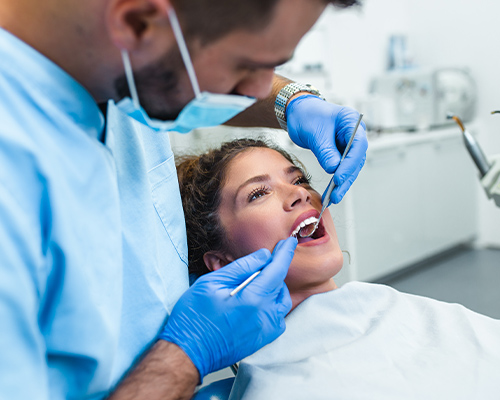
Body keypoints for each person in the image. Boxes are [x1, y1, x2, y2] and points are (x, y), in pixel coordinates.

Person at [0, 0, 368, 399]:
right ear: (139, 23)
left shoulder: (117, 67)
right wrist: (187, 353)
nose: (261, 89)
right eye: (244, 66)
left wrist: (291, 101)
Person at [176, 138, 500, 399]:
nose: (300, 194)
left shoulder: (388, 308)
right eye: (259, 193)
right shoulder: (279, 387)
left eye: (299, 179)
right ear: (222, 263)